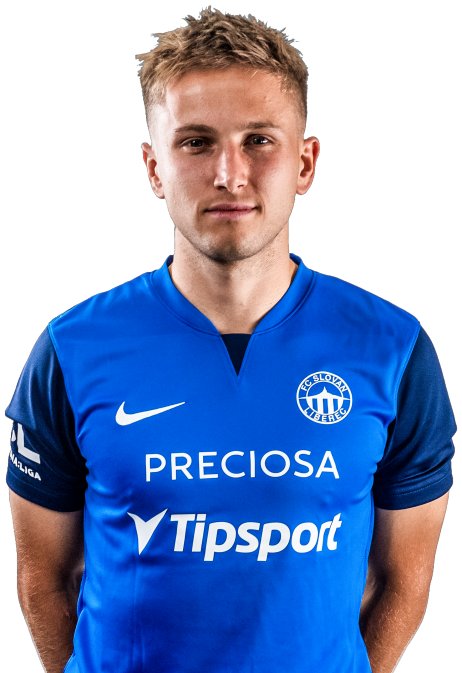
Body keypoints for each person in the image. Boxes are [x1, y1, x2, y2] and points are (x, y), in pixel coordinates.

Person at [5, 7, 457, 673]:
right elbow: (43, 578)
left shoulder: (394, 350)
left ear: (305, 162)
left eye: (259, 140)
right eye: (195, 142)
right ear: (154, 167)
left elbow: (403, 581)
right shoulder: (71, 350)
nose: (229, 173)